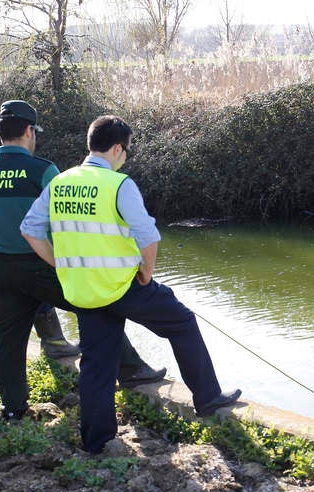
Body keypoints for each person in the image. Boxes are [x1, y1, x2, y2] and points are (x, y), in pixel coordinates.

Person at [21, 115, 241, 453]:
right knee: (182, 323)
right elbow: (148, 236)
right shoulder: (118, 184)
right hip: (125, 286)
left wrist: (60, 263)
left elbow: (30, 229)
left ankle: (98, 441)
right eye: (126, 151)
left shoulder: (61, 182)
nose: (125, 158)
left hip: (85, 290)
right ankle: (209, 399)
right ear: (117, 148)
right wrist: (147, 273)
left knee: (97, 363)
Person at [0, 100, 165, 420]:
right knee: (99, 306)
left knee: (9, 340)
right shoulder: (42, 169)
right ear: (29, 131)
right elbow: (67, 210)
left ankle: (13, 409)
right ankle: (130, 371)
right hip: (43, 265)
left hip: (0, 267)